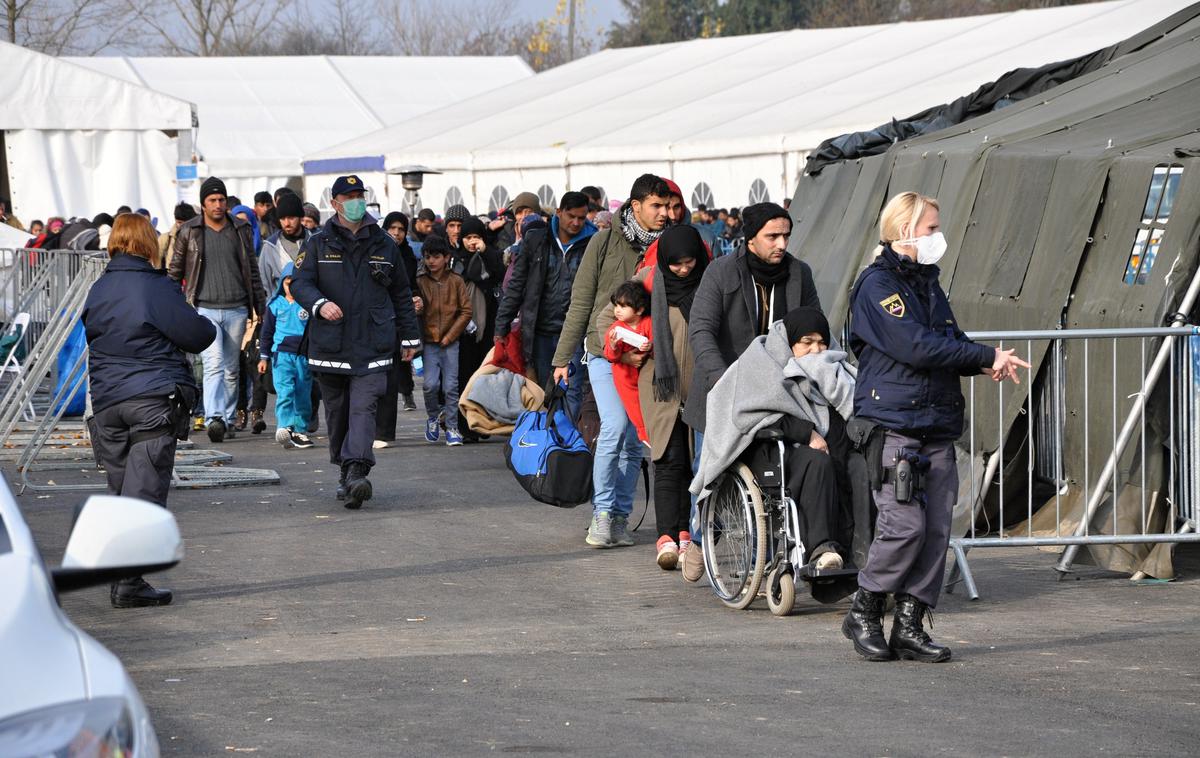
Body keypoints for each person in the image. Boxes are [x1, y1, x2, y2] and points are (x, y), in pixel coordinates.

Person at [842, 191, 1030, 663]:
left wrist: (988, 361)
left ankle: (909, 623)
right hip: (895, 423)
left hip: (937, 423)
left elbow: (949, 338)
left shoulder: (927, 283)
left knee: (935, 532)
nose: (937, 236)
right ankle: (865, 609)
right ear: (904, 229)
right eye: (930, 228)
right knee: (904, 526)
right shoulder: (877, 286)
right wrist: (983, 356)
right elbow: (917, 346)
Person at [82, 213, 216, 608]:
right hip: (150, 398)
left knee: (122, 492)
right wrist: (205, 321)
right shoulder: (154, 287)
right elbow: (196, 335)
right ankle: (128, 582)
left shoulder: (99, 288)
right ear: (147, 243)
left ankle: (123, 577)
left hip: (107, 402)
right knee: (143, 493)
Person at [683, 201, 822, 580]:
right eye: (772, 236)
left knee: (778, 471)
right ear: (751, 239)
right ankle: (699, 536)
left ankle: (777, 552)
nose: (781, 243)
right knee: (710, 466)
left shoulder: (799, 274)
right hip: (722, 387)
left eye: (786, 236)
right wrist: (725, 378)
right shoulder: (721, 272)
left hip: (779, 390)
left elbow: (812, 326)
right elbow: (701, 331)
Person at [552, 173, 671, 548]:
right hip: (604, 353)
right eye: (656, 206)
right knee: (616, 427)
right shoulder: (602, 243)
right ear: (635, 207)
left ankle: (620, 516)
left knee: (638, 439)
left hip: (646, 359)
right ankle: (602, 513)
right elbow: (581, 303)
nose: (664, 213)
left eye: (667, 206)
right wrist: (561, 359)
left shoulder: (668, 248)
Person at [290, 174, 421, 510]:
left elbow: (402, 294)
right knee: (338, 412)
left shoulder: (384, 244)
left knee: (365, 408)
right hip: (330, 345)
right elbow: (300, 285)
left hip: (373, 343)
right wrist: (320, 305)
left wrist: (409, 337)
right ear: (334, 203)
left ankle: (357, 470)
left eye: (359, 195)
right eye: (347, 196)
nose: (355, 201)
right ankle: (344, 468)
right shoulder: (317, 243)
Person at [692, 307, 854, 574]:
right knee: (818, 463)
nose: (816, 350)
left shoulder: (830, 370)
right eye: (807, 342)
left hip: (807, 449)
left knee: (852, 466)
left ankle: (852, 553)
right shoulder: (762, 361)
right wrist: (806, 433)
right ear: (789, 343)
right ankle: (822, 548)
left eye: (822, 342)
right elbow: (752, 413)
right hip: (764, 448)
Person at [597, 226, 709, 570]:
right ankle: (666, 540)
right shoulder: (648, 279)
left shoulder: (712, 279)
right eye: (675, 264)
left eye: (689, 262)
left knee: (697, 463)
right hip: (659, 386)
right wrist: (626, 351)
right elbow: (607, 319)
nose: (683, 270)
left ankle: (689, 534)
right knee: (667, 458)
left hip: (702, 385)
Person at [170, 176, 266, 444]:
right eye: (212, 200)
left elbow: (252, 272)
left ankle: (227, 416)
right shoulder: (189, 231)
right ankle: (215, 418)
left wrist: (260, 307)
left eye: (222, 199)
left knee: (232, 369)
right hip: (204, 309)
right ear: (203, 204)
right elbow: (175, 273)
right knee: (213, 365)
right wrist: (173, 307)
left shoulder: (240, 229)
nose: (218, 204)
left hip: (236, 308)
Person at [494, 190, 596, 411]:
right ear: (559, 213)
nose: (577, 223)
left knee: (571, 391)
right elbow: (516, 285)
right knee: (542, 391)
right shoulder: (537, 239)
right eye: (572, 216)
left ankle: (567, 442)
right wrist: (501, 326)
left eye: (582, 217)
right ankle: (549, 439)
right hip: (539, 331)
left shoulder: (593, 242)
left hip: (574, 332)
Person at [413, 235, 472, 446]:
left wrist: (450, 335)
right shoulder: (420, 281)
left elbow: (466, 311)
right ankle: (433, 416)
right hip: (429, 341)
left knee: (450, 387)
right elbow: (415, 309)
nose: (432, 261)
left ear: (446, 257)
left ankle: (452, 427)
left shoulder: (456, 281)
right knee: (429, 384)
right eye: (428, 257)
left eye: (436, 256)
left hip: (451, 341)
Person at [452, 215, 506, 441]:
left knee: (484, 376)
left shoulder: (491, 256)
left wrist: (485, 252)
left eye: (476, 237)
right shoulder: (456, 260)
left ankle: (484, 423)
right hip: (462, 326)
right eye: (467, 237)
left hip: (488, 324)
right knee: (464, 376)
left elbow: (500, 275)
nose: (471, 241)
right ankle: (466, 426)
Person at [375, 211, 421, 446]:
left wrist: (417, 298)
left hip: (398, 319)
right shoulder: (375, 251)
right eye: (392, 228)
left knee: (392, 375)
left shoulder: (409, 257)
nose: (396, 233)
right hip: (375, 318)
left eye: (401, 229)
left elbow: (411, 287)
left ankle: (384, 431)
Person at [257, 262, 313, 449]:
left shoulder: (307, 305)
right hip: (281, 355)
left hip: (303, 356)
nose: (291, 287)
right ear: (282, 283)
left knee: (303, 394)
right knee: (285, 392)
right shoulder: (275, 305)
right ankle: (285, 428)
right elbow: (266, 333)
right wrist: (264, 357)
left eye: (295, 283)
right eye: (288, 283)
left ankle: (300, 429)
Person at [603, 281, 652, 445]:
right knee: (633, 403)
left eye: (623, 306)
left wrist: (650, 345)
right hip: (624, 374)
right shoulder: (614, 329)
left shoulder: (648, 323)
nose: (617, 310)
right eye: (616, 305)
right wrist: (613, 345)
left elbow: (654, 341)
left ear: (639, 309)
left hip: (645, 372)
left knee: (647, 400)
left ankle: (650, 429)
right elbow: (611, 355)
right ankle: (643, 432)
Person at [160, 203, 196, 268]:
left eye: (186, 222)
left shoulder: (199, 237)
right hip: (171, 276)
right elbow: (156, 263)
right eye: (179, 222)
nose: (182, 225)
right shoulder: (165, 238)